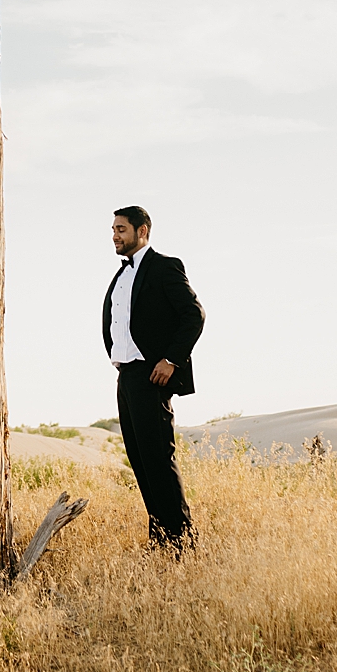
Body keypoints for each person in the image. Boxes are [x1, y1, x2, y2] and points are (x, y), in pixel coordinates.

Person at [101, 205, 205, 550]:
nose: (115, 235)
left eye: (121, 229)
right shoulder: (120, 277)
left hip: (153, 375)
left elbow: (194, 315)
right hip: (127, 376)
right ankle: (161, 541)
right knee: (142, 463)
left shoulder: (164, 267)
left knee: (159, 459)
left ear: (142, 231)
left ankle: (183, 543)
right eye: (114, 229)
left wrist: (171, 360)